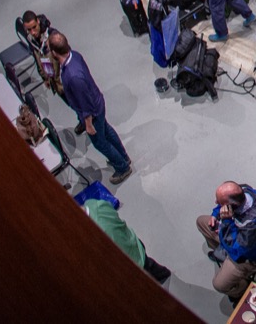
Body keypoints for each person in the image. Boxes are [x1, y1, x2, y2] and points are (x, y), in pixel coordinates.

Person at [49, 32, 133, 185]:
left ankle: (122, 167)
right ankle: (123, 156)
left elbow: (84, 102)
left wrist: (87, 123)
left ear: (54, 52)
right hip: (98, 103)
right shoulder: (75, 55)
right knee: (107, 130)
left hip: (92, 112)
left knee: (100, 142)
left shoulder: (72, 76)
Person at [195, 182, 256, 302]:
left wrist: (226, 223)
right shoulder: (242, 191)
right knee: (201, 222)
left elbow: (236, 249)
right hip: (235, 238)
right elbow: (222, 206)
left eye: (219, 202)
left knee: (219, 285)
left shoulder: (253, 226)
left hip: (250, 257)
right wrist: (215, 215)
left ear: (231, 206)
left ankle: (243, 290)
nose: (215, 202)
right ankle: (221, 253)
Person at [84, 199, 171, 284]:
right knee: (154, 269)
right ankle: (165, 276)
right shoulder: (95, 205)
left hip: (129, 267)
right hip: (134, 249)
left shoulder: (89, 237)